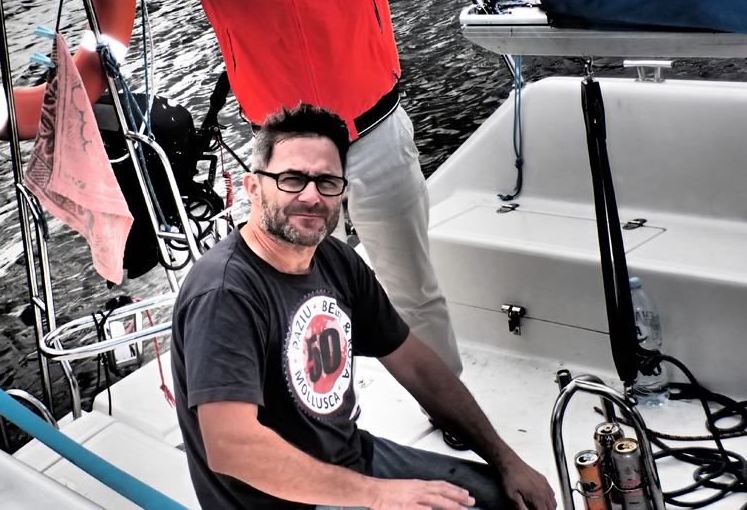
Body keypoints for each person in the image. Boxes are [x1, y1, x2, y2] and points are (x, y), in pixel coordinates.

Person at [100, 0, 462, 375]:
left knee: (413, 290)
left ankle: (449, 408)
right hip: (286, 160)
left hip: (376, 135)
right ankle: (327, 414)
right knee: (308, 306)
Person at [169, 103, 557, 510]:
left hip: (351, 460)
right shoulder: (224, 294)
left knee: (506, 501)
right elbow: (231, 447)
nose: (311, 196)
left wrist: (506, 459)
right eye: (291, 179)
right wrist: (380, 495)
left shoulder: (336, 260)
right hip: (281, 503)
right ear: (252, 187)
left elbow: (415, 364)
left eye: (327, 182)